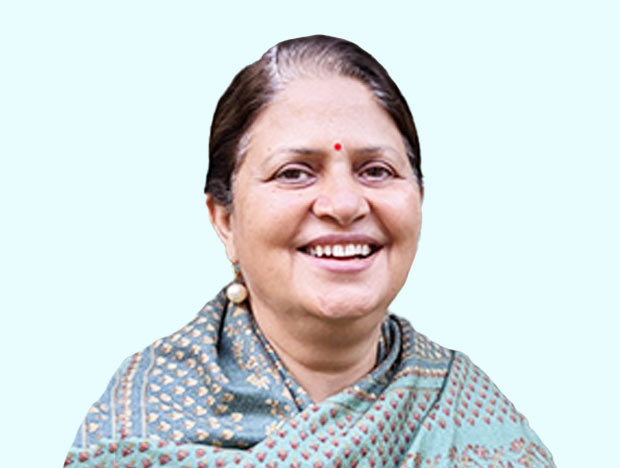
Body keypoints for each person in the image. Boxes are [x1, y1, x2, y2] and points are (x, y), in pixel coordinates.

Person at [65, 35, 555, 467]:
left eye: (376, 171)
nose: (343, 204)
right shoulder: (144, 427)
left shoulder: (477, 422)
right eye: (295, 173)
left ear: (419, 200)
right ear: (225, 219)